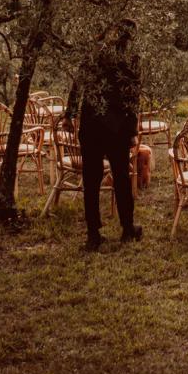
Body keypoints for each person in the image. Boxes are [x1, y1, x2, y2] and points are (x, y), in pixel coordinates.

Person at [67, 19, 143, 250]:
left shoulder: (93, 53)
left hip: (90, 126)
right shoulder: (131, 60)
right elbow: (133, 99)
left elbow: (77, 85)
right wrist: (131, 131)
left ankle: (93, 235)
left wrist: (69, 114)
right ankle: (128, 229)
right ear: (129, 37)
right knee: (121, 177)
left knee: (91, 180)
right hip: (117, 129)